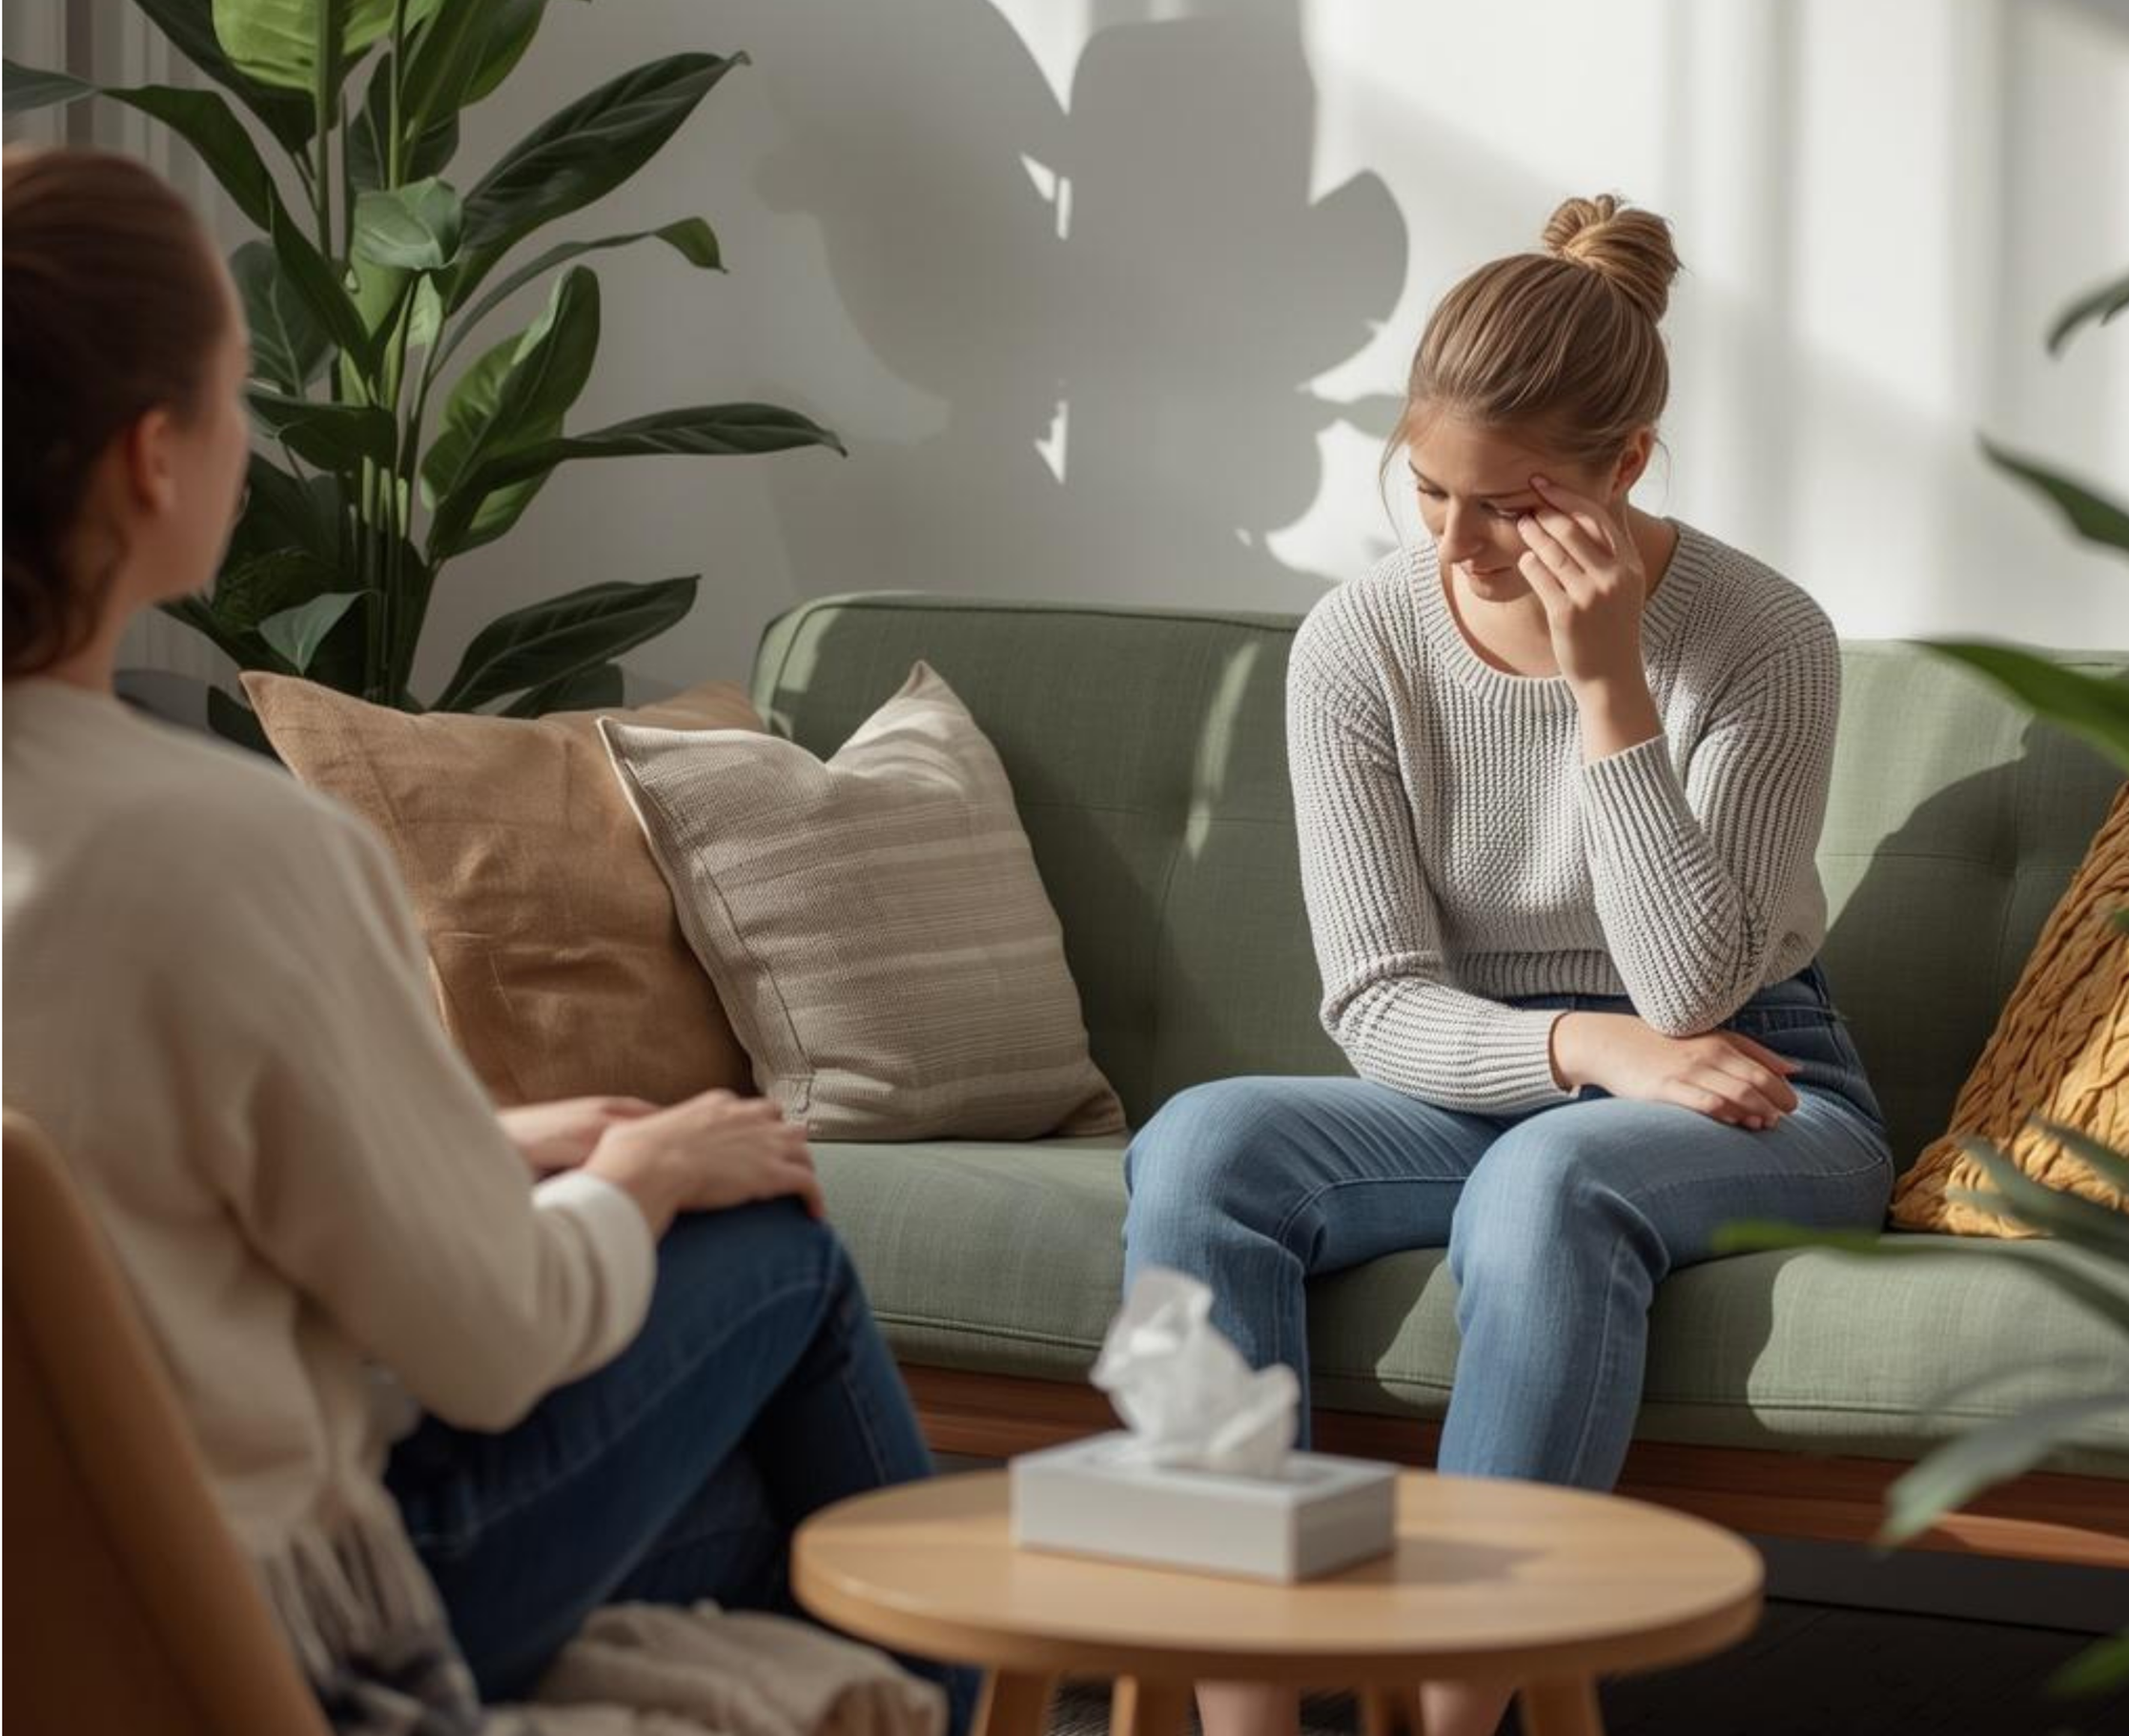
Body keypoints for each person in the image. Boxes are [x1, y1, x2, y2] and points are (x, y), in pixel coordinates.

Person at [2, 142, 967, 1733]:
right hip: (241, 1637)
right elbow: (488, 1344)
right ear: (151, 460)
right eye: (238, 403)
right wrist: (636, 1177)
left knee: (749, 1497)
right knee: (779, 1256)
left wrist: (490, 1138)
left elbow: (104, 1180)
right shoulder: (239, 854)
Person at [1122, 194, 1894, 1736]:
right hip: (1502, 1070)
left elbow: (1691, 997)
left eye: (1511, 505)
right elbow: (1375, 999)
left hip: (1754, 1080)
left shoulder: (1760, 637)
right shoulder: (1358, 643)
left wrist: (1610, 686)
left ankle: (1450, 1717)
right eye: (1430, 493)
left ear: (1623, 470)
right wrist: (1586, 1052)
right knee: (1201, 1141)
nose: (1461, 547)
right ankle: (1248, 1715)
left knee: (1546, 1188)